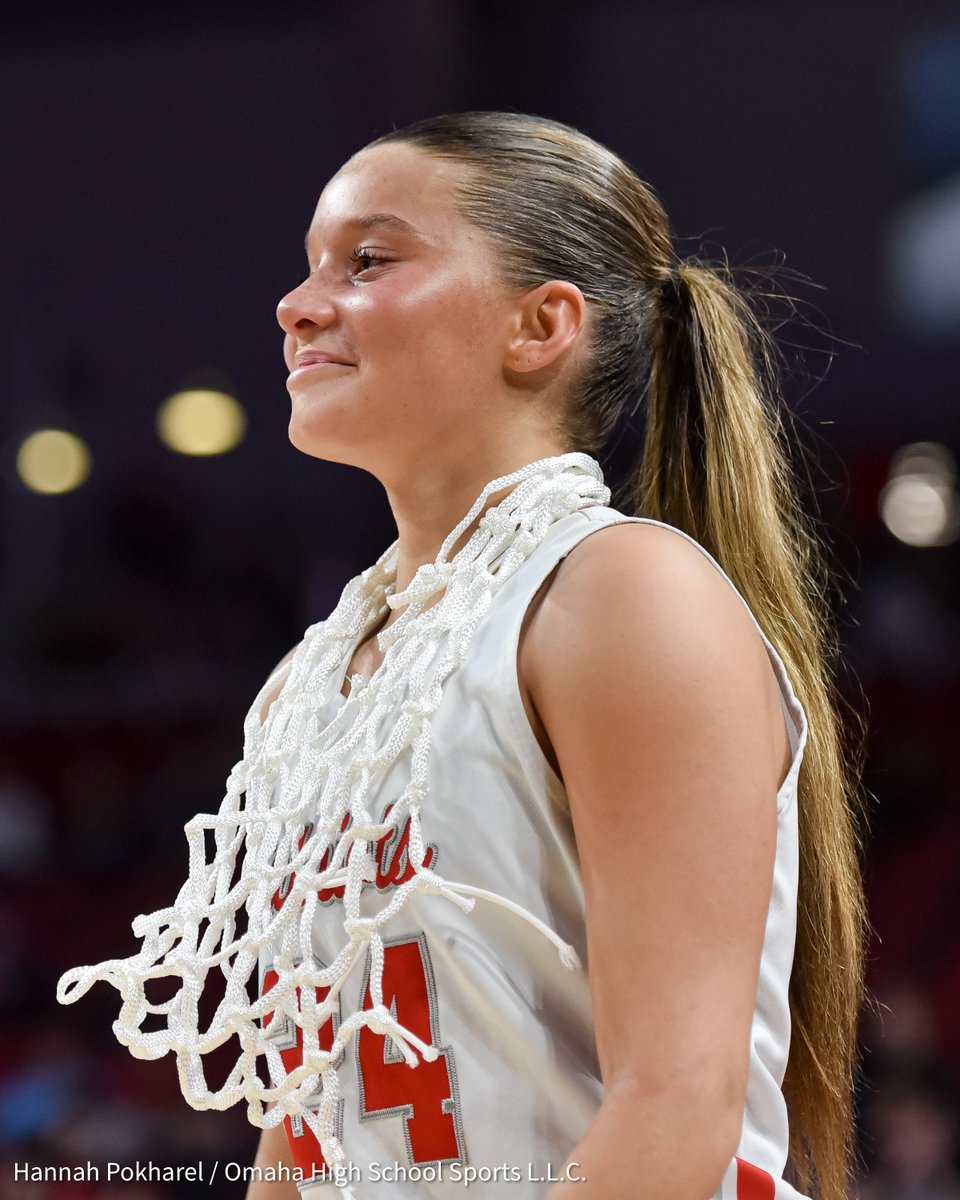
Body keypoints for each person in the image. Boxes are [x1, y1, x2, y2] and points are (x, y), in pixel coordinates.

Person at [58, 112, 865, 1200]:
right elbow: (306, 1133)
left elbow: (676, 1100)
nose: (299, 306)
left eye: (369, 261)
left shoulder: (620, 593)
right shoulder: (321, 679)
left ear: (540, 325)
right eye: (310, 269)